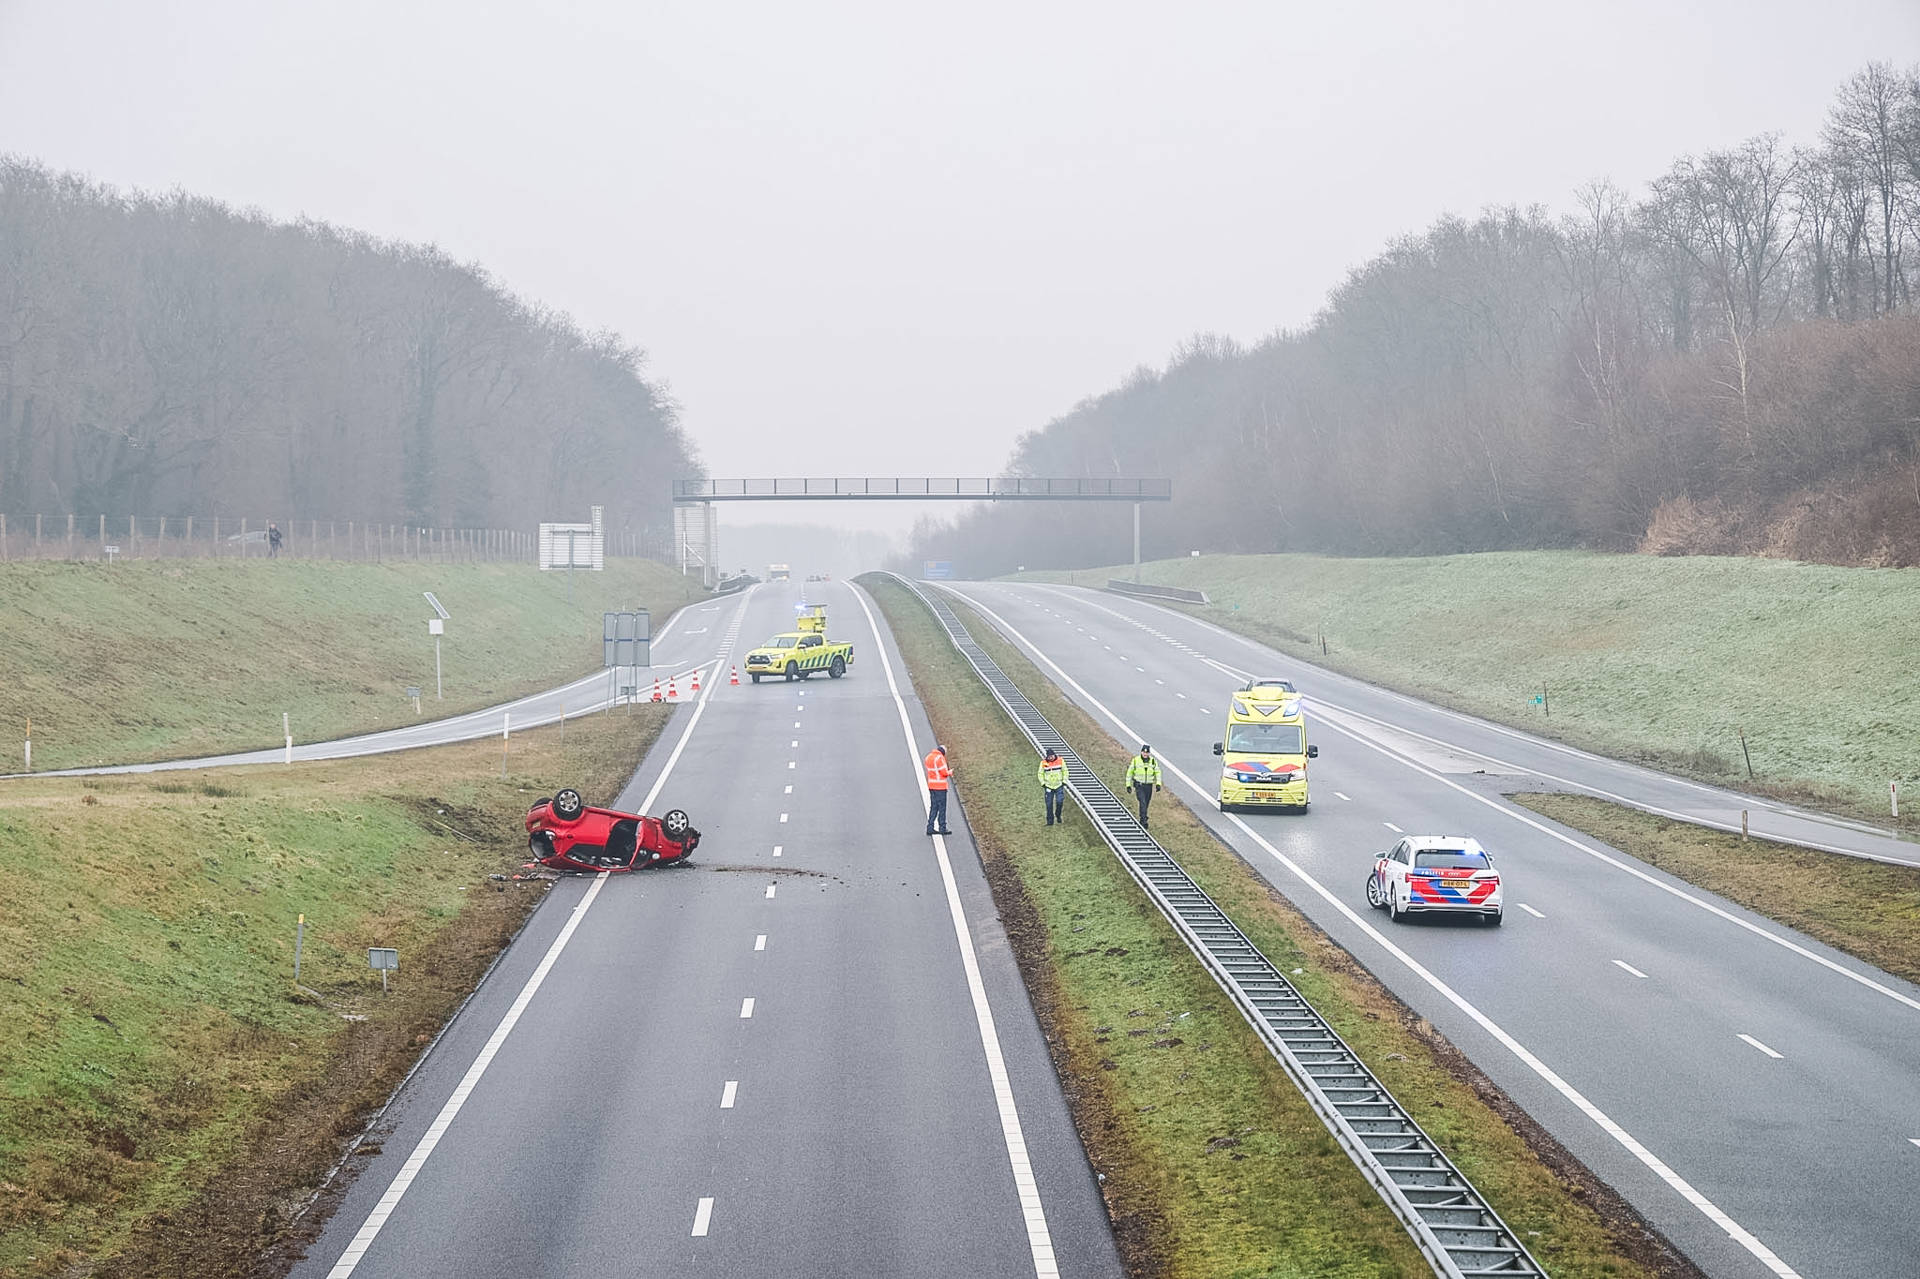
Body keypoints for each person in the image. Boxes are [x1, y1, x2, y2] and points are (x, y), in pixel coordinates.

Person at [1125, 744, 1162, 827]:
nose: (1145, 754)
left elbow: (1157, 772)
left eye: (1147, 753)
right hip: (1139, 786)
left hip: (1149, 786)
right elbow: (1129, 773)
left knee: (1146, 803)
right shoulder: (1135, 760)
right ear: (1141, 752)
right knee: (1143, 803)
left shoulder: (1153, 761)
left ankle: (1142, 818)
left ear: (1149, 753)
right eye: (1144, 752)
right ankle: (1144, 820)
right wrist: (1128, 785)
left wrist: (1158, 784)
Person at [924, 743, 953, 836]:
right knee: (942, 807)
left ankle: (930, 827)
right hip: (940, 787)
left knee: (934, 807)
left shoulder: (929, 757)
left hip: (931, 786)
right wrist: (950, 772)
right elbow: (944, 772)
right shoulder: (940, 758)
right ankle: (942, 827)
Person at [1038, 748, 1068, 825]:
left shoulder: (1060, 760)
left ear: (1054, 755)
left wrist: (1064, 781)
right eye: (1049, 757)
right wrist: (1043, 783)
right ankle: (1050, 822)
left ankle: (1058, 814)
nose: (1050, 758)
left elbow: (1065, 771)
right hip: (1048, 786)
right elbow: (1040, 774)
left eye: (1051, 756)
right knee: (1049, 804)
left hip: (1059, 785)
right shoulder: (1043, 763)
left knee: (1059, 801)